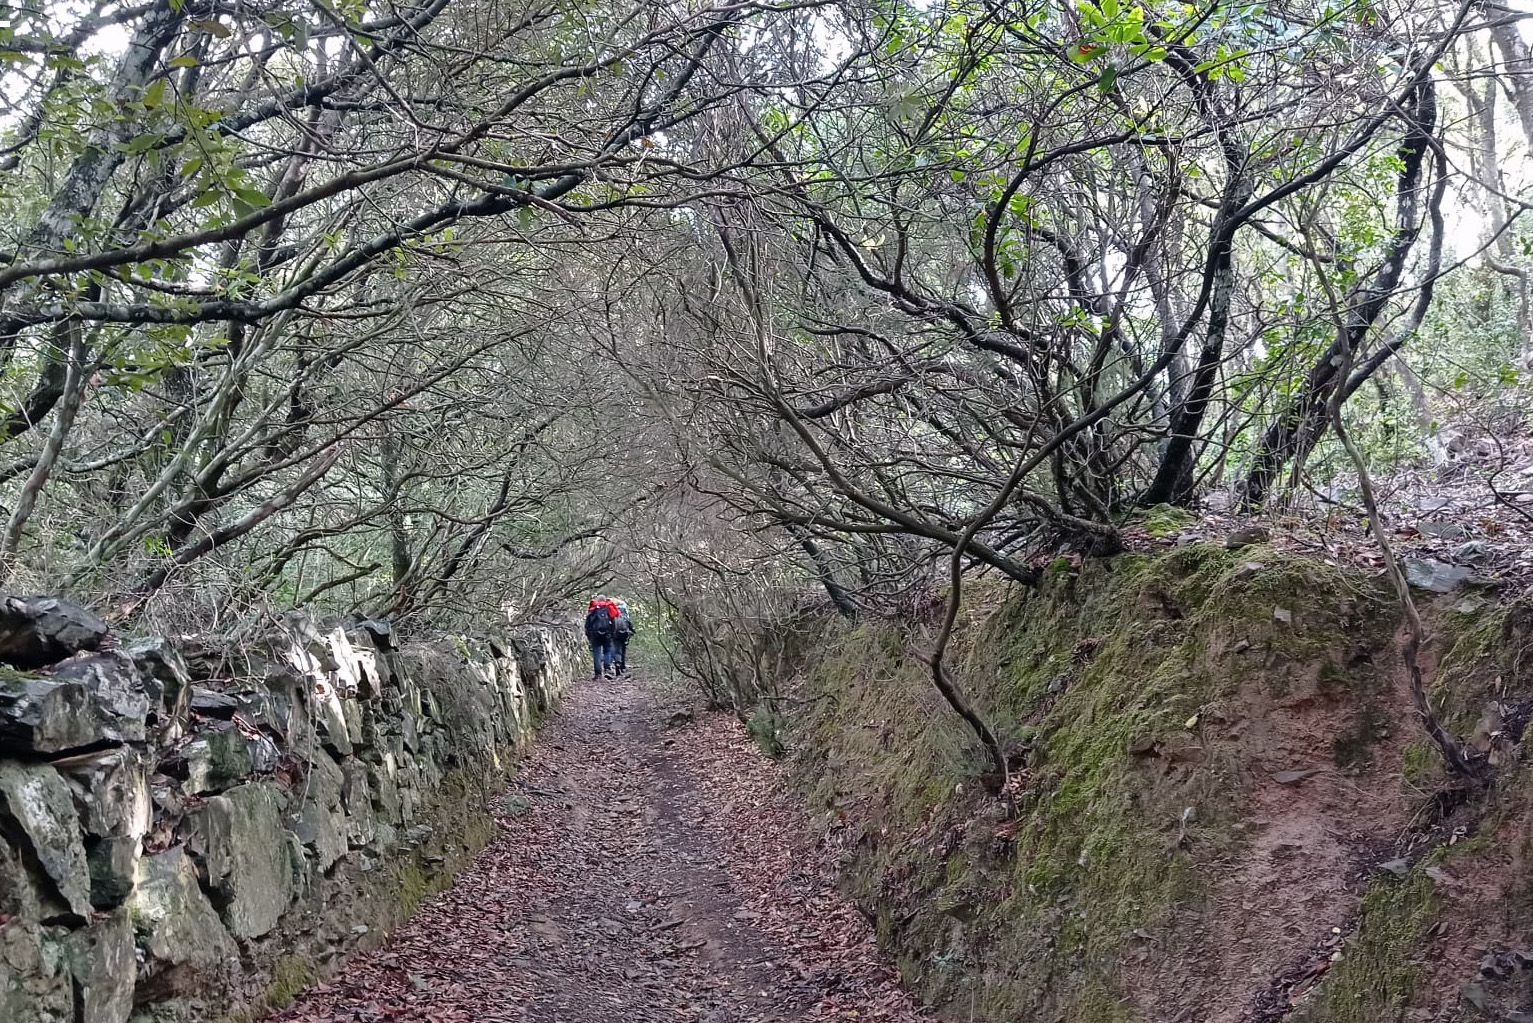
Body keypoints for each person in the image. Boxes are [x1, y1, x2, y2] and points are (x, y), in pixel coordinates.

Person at [583, 595, 620, 680]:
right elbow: (614, 623)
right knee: (607, 651)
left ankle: (598, 674)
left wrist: (588, 634)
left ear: (597, 600)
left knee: (597, 652)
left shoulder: (593, 609)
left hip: (595, 634)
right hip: (607, 634)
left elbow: (588, 623)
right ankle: (607, 669)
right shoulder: (609, 608)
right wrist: (613, 633)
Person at [612, 600, 636, 674]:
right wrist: (633, 631)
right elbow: (629, 623)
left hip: (615, 634)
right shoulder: (625, 613)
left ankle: (617, 663)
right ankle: (622, 666)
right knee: (623, 649)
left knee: (617, 649)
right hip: (624, 634)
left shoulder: (614, 612)